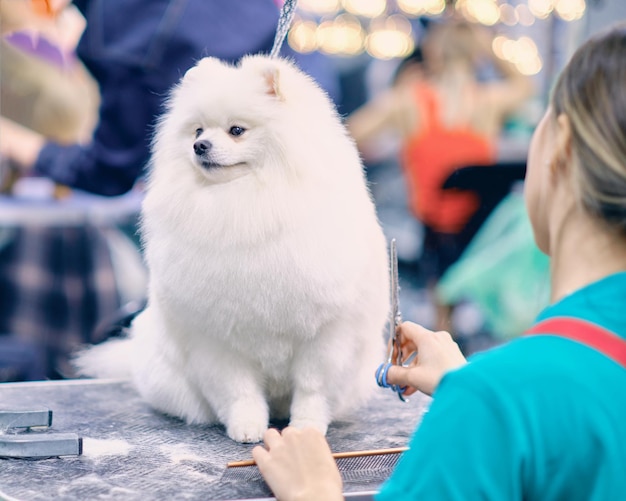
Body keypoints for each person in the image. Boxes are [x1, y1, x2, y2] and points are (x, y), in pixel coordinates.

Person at [251, 22, 626, 500]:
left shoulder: (495, 407)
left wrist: (313, 494)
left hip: (435, 232)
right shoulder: (486, 101)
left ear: (563, 146)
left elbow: (338, 140)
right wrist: (467, 383)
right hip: (473, 230)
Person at [0, 0, 340, 196]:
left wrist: (14, 142)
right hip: (322, 181)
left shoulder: (127, 29)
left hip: (253, 221)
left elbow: (109, 171)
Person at [348, 20, 533, 333]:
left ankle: (444, 358)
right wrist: (488, 46)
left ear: (432, 54)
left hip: (435, 230)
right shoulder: (488, 101)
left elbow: (351, 132)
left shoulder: (408, 100)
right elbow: (526, 86)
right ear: (475, 54)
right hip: (480, 232)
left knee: (443, 322)